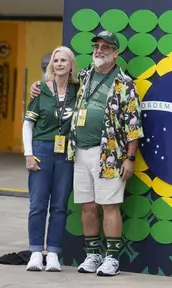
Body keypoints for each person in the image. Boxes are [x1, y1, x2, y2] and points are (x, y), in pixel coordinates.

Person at [29, 30, 144, 277]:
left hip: (110, 154)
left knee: (110, 205)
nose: (99, 50)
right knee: (88, 206)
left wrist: (130, 158)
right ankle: (93, 255)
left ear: (115, 53)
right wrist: (37, 86)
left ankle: (111, 258)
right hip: (79, 151)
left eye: (106, 47)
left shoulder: (124, 82)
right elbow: (56, 85)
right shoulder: (83, 76)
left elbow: (133, 124)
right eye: (97, 46)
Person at [24, 46, 79, 272]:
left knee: (59, 206)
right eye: (55, 60)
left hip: (66, 152)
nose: (59, 64)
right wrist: (28, 154)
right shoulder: (41, 91)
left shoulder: (80, 91)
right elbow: (28, 124)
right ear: (50, 66)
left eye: (63, 60)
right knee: (38, 204)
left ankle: (53, 253)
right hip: (42, 149)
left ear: (70, 65)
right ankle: (36, 252)